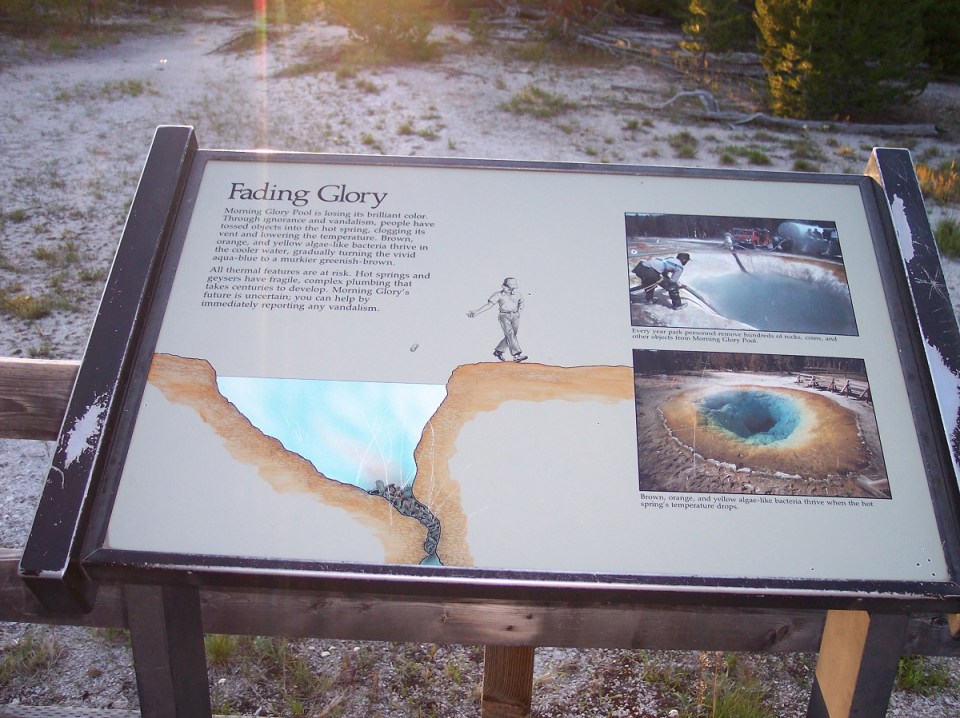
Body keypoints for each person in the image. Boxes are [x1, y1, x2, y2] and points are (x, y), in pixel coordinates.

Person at [467, 277, 527, 362]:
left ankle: (498, 351)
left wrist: (519, 311)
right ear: (504, 286)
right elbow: (489, 305)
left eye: (513, 288)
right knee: (510, 334)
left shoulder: (517, 294)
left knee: (512, 335)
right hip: (504, 316)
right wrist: (477, 312)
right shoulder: (497, 295)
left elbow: (521, 303)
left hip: (515, 316)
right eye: (509, 287)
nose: (511, 289)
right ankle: (517, 355)